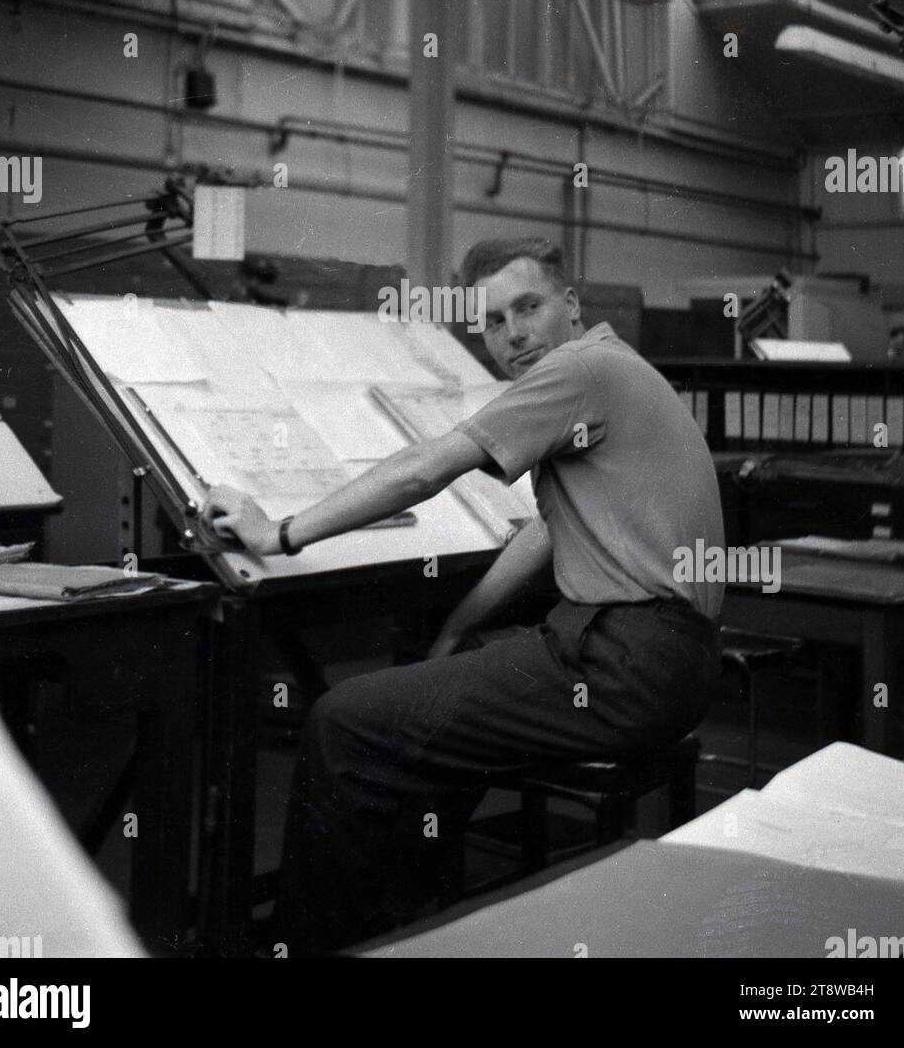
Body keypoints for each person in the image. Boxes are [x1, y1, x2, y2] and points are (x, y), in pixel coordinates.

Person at [201, 237, 725, 954]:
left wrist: (279, 533)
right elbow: (545, 531)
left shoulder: (579, 369)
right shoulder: (613, 369)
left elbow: (424, 470)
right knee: (433, 702)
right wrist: (454, 626)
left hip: (621, 663)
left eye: (528, 306)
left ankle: (313, 944)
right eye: (491, 322)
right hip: (660, 660)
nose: (512, 334)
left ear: (570, 306)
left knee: (343, 721)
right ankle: (408, 923)